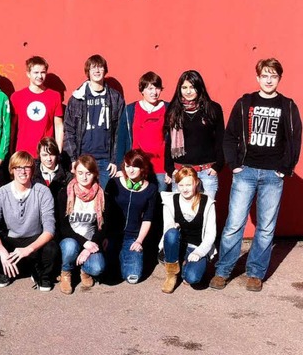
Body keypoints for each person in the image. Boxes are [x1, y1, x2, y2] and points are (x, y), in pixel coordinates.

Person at [211, 58, 301, 292]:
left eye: (273, 76)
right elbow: (230, 136)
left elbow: (294, 140)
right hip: (246, 172)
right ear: (258, 77)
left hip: (273, 174)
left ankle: (255, 273)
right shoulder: (245, 103)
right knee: (234, 223)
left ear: (279, 78)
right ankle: (223, 271)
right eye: (265, 75)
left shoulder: (288, 106)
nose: (269, 79)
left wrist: (284, 169)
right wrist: (234, 165)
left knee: (265, 227)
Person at [0, 151, 59, 291]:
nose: (22, 171)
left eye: (27, 167)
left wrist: (28, 249)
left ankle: (41, 274)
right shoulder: (0, 193)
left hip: (34, 239)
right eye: (18, 167)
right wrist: (2, 252)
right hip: (11, 239)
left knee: (51, 249)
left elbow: (49, 229)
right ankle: (4, 271)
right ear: (11, 170)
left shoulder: (43, 191)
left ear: (32, 169)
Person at [64, 54, 124, 189]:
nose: (97, 71)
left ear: (105, 70)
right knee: (84, 198)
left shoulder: (115, 98)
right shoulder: (77, 98)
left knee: (105, 201)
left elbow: (121, 132)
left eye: (100, 67)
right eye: (93, 68)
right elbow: (68, 130)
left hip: (106, 161)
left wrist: (116, 160)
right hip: (83, 159)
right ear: (88, 72)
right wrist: (73, 159)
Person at [164, 70, 225, 198]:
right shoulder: (174, 110)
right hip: (180, 171)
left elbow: (220, 139)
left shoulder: (213, 108)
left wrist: (218, 166)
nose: (188, 91)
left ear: (199, 87)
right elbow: (168, 141)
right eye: (184, 87)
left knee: (206, 213)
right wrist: (170, 169)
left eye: (192, 87)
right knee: (181, 215)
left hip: (206, 172)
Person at [160, 167, 216, 293]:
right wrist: (172, 226)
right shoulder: (170, 201)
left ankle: (184, 266)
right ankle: (172, 274)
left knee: (193, 278)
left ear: (196, 183)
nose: (185, 189)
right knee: (171, 233)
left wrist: (199, 252)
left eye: (188, 184)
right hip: (177, 245)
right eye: (181, 185)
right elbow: (167, 227)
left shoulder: (207, 203)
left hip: (196, 247)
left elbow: (211, 234)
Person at [104, 149, 156, 284]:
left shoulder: (151, 189)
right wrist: (104, 235)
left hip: (132, 237)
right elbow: (105, 212)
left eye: (135, 166)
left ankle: (124, 256)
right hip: (112, 235)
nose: (130, 170)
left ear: (143, 168)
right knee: (106, 273)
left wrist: (139, 241)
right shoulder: (113, 183)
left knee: (133, 277)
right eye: (127, 166)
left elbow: (147, 218)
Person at [57, 155, 106, 295]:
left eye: (88, 173)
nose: (84, 177)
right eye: (80, 173)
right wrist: (84, 243)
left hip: (91, 241)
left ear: (95, 174)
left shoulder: (101, 195)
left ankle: (83, 270)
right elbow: (63, 227)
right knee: (70, 247)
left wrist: (89, 247)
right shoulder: (65, 194)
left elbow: (103, 227)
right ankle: (66, 272)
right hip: (71, 239)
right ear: (74, 173)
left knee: (97, 267)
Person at [117, 72, 169, 190]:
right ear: (142, 90)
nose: (154, 92)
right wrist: (120, 167)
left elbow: (173, 139)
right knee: (138, 202)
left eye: (157, 88)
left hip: (161, 167)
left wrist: (170, 168)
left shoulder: (168, 109)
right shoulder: (130, 110)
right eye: (150, 88)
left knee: (159, 203)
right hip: (136, 167)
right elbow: (121, 139)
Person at [10, 56, 63, 156]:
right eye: (36, 72)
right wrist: (11, 151)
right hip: (23, 153)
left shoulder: (55, 96)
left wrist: (58, 152)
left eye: (43, 72)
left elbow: (58, 125)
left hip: (46, 154)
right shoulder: (17, 97)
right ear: (28, 74)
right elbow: (12, 126)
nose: (40, 76)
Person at [32, 137, 71, 205]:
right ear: (39, 155)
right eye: (45, 155)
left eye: (52, 154)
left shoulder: (67, 177)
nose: (49, 159)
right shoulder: (32, 176)